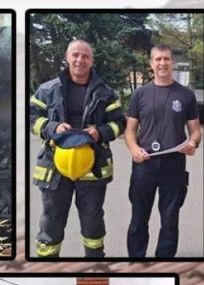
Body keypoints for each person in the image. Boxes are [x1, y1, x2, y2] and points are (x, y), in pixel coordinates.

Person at [29, 39, 126, 258]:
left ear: (92, 61)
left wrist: (100, 132)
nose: (80, 60)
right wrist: (52, 127)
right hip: (54, 166)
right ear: (67, 57)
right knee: (51, 219)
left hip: (93, 166)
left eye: (85, 56)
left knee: (92, 220)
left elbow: (119, 123)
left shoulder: (107, 94)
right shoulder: (47, 90)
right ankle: (48, 264)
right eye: (75, 55)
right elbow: (31, 116)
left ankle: (94, 263)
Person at [124, 44, 202, 258]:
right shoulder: (139, 94)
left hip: (173, 165)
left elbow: (195, 131)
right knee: (139, 219)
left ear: (172, 63)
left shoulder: (186, 95)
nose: (162, 63)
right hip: (144, 164)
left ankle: (163, 262)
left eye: (166, 59)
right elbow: (130, 130)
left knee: (169, 221)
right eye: (158, 59)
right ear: (151, 64)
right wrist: (134, 149)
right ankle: (136, 261)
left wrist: (193, 143)